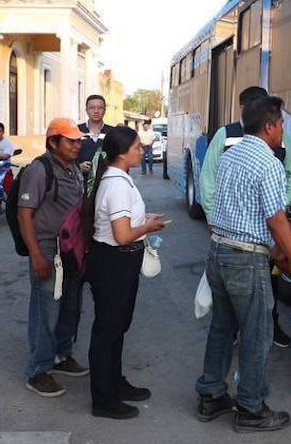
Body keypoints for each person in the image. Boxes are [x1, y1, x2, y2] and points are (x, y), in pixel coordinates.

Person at [195, 96, 291, 433]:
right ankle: (250, 408)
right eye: (281, 125)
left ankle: (211, 394)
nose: (282, 133)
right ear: (270, 126)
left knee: (222, 327)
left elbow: (217, 197)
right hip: (246, 259)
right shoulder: (268, 163)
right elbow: (276, 220)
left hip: (218, 252)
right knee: (257, 334)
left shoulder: (231, 155)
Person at [200, 85, 291, 348]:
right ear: (244, 108)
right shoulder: (226, 135)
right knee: (238, 299)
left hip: (263, 236)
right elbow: (208, 179)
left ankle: (272, 324)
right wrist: (213, 217)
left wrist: (280, 203)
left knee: (271, 283)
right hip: (238, 235)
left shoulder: (279, 139)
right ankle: (242, 342)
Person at [85, 125, 167, 420]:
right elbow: (121, 235)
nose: (141, 151)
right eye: (137, 148)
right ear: (121, 153)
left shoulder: (119, 179)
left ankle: (114, 383)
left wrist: (143, 219)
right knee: (108, 330)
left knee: (117, 326)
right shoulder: (117, 184)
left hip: (118, 261)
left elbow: (122, 223)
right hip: (113, 261)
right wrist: (148, 227)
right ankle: (103, 399)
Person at [17, 118, 88, 398]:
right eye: (70, 141)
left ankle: (62, 355)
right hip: (47, 249)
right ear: (53, 142)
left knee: (70, 305)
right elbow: (25, 215)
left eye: (78, 140)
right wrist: (36, 255)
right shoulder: (39, 169)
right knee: (46, 310)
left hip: (71, 250)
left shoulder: (73, 169)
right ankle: (38, 370)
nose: (76, 145)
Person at [78, 95, 114, 175]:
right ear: (86, 110)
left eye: (100, 108)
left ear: (104, 110)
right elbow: (65, 158)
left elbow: (120, 158)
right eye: (92, 108)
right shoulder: (77, 131)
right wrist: (78, 167)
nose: (96, 111)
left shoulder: (112, 132)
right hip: (81, 183)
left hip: (106, 181)